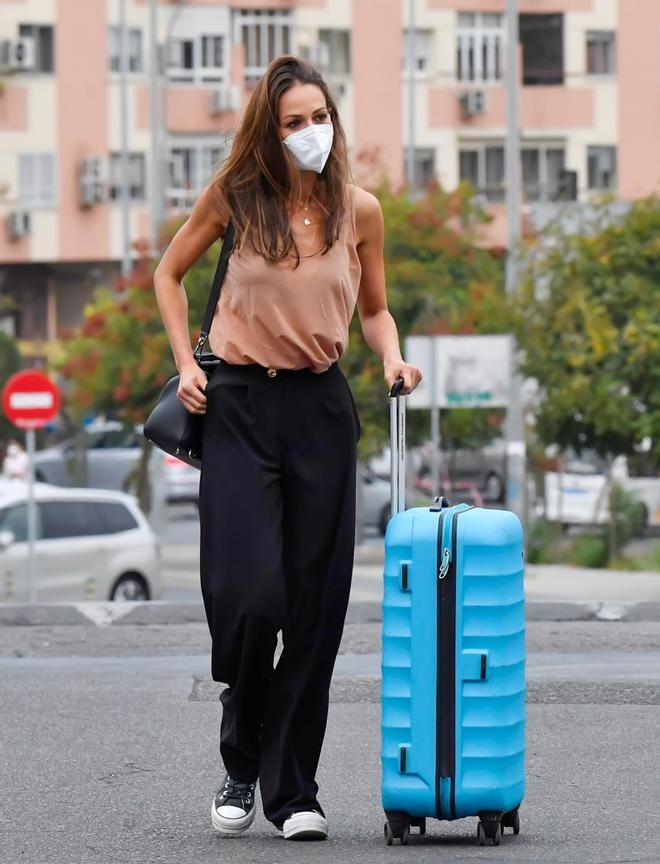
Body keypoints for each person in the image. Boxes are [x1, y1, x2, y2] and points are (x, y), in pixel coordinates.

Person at [153, 55, 423, 842]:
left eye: (317, 117)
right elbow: (169, 276)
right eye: (291, 122)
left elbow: (374, 312)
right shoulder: (237, 200)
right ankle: (242, 756)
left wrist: (391, 357)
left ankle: (292, 791)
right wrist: (183, 363)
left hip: (321, 409)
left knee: (314, 610)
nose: (310, 133)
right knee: (249, 594)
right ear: (267, 135)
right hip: (237, 403)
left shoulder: (360, 211)